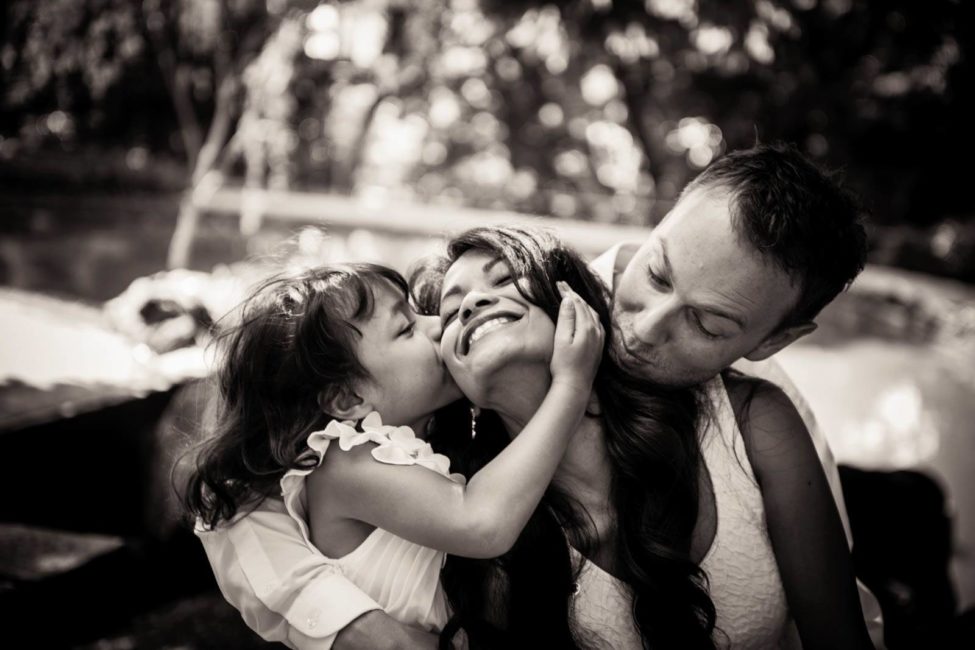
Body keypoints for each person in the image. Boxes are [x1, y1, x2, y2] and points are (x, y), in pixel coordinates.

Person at [193, 143, 882, 648]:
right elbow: (242, 484)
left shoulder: (750, 414)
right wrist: (344, 621)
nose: (641, 328)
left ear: (767, 340)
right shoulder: (432, 439)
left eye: (707, 323)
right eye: (657, 274)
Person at [427, 225, 870, 649]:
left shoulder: (748, 422)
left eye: (504, 279)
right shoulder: (479, 550)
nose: (471, 305)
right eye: (450, 311)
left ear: (573, 299)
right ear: (456, 381)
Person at [183, 262, 605, 643]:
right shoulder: (344, 462)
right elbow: (482, 523)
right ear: (348, 400)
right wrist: (570, 384)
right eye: (406, 329)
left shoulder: (411, 447)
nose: (437, 325)